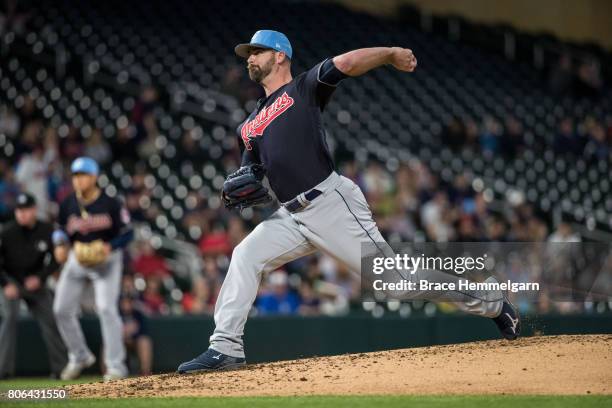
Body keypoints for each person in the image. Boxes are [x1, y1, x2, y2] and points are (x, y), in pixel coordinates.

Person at [177, 30, 520, 374]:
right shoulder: (248, 126)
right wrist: (242, 180)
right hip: (292, 216)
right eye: (247, 53)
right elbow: (249, 170)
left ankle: (493, 302)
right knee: (245, 255)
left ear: (280, 55)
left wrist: (389, 53)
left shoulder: (303, 88)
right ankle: (226, 347)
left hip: (330, 202)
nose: (249, 58)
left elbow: (346, 63)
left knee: (396, 284)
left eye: (257, 51)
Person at [52, 157, 134, 381]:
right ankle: (79, 355)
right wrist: (59, 244)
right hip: (78, 259)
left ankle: (116, 366)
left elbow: (128, 233)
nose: (78, 180)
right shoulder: (67, 203)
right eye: (76, 175)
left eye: (83, 175)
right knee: (61, 309)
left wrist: (110, 246)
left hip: (107, 260)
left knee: (106, 308)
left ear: (95, 177)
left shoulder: (111, 202)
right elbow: (59, 228)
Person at [0, 193, 68, 379]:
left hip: (35, 281)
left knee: (51, 319)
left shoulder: (47, 230)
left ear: (34, 210)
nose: (21, 214)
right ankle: (3, 371)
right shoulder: (7, 231)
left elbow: (58, 258)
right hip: (11, 280)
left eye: (25, 210)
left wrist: (41, 277)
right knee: (8, 317)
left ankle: (61, 369)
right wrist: (5, 284)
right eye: (19, 210)